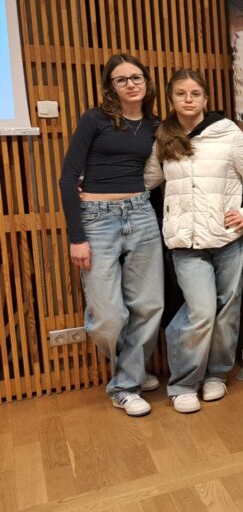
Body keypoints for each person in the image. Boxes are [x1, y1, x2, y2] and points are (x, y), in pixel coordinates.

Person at [144, 69, 243, 413]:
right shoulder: (164, 137)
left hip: (228, 238)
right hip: (185, 242)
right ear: (171, 99)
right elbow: (146, 181)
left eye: (195, 93)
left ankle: (216, 374)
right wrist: (99, 186)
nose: (188, 99)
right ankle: (184, 383)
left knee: (227, 312)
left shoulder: (227, 132)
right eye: (181, 93)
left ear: (205, 98)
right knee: (201, 312)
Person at [58, 53, 164, 417]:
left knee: (149, 305)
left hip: (141, 213)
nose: (130, 84)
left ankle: (125, 384)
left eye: (136, 77)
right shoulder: (95, 119)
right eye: (121, 80)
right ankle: (129, 368)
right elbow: (67, 178)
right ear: (111, 87)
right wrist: (76, 237)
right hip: (96, 219)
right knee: (109, 316)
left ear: (146, 82)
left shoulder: (154, 126)